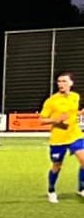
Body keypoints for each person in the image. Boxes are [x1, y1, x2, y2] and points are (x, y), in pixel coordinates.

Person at [39, 71, 83, 203]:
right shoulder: (51, 101)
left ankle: (81, 188)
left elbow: (73, 113)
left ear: (71, 83)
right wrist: (56, 120)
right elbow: (41, 120)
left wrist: (80, 113)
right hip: (58, 139)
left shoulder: (75, 96)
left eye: (64, 81)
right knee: (57, 166)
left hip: (75, 135)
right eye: (59, 81)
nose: (61, 84)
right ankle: (51, 190)